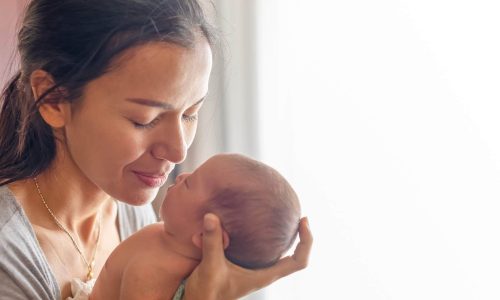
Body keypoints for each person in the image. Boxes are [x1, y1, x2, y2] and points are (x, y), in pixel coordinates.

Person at [0, 0, 312, 299]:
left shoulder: (129, 208)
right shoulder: (8, 254)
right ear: (54, 99)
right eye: (144, 120)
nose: (178, 152)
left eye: (190, 113)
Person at [90, 153, 301, 300]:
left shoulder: (152, 272)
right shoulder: (170, 238)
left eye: (190, 184)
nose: (182, 175)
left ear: (206, 235)